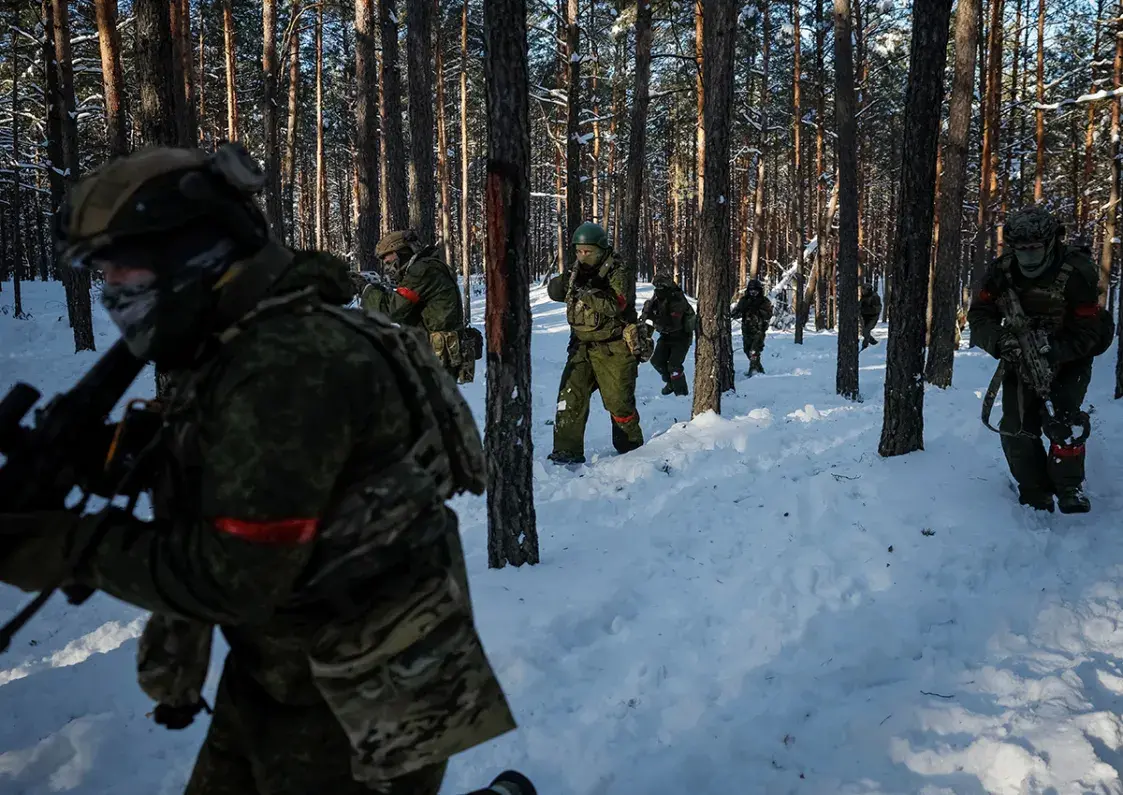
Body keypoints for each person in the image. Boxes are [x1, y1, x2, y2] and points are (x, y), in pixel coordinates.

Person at [0, 144, 515, 794]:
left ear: (195, 254)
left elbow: (231, 576)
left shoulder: (286, 365)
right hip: (282, 659)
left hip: (371, 669)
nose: (112, 295)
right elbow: (223, 464)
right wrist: (112, 455)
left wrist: (66, 547)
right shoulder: (241, 336)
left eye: (124, 274)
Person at [967, 205, 1114, 513]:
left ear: (1050, 243)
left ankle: (1069, 485)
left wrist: (1054, 351)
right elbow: (980, 316)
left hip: (1071, 357)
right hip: (1018, 356)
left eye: (1034, 248)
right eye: (1020, 248)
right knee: (1015, 425)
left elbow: (1092, 333)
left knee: (1065, 421)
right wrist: (1001, 341)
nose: (1027, 255)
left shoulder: (1077, 271)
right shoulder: (1002, 271)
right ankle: (1034, 491)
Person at [547, 222, 644, 465]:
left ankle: (631, 448)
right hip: (581, 346)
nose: (583, 256)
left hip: (614, 347)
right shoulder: (577, 271)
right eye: (579, 251)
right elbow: (556, 293)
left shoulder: (618, 270)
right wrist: (565, 282)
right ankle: (566, 453)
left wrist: (585, 292)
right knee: (570, 397)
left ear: (601, 249)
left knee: (619, 403)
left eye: (588, 251)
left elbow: (615, 305)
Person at [374, 230, 478, 383]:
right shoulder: (426, 267)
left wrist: (367, 291)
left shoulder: (422, 270)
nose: (389, 268)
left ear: (403, 252)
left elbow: (392, 310)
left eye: (389, 261)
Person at [642, 273, 695, 396]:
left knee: (674, 366)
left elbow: (673, 323)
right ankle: (670, 383)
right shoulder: (659, 297)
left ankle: (681, 394)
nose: (657, 290)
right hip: (666, 336)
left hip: (681, 337)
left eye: (660, 287)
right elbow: (650, 312)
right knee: (656, 361)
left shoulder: (677, 299)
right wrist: (647, 312)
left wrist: (655, 321)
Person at [732, 278, 773, 376]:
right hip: (746, 329)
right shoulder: (744, 300)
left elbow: (768, 314)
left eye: (755, 290)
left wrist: (757, 310)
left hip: (759, 330)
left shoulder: (764, 301)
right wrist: (742, 309)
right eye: (751, 290)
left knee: (754, 351)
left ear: (759, 290)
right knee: (747, 350)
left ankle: (753, 370)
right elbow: (735, 313)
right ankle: (759, 368)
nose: (753, 292)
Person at [860, 282, 882, 349]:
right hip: (865, 317)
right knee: (864, 332)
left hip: (873, 317)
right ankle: (872, 344)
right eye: (862, 289)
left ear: (868, 289)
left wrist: (864, 310)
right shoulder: (864, 297)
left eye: (864, 289)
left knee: (866, 331)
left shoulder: (875, 297)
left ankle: (867, 346)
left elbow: (877, 309)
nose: (862, 291)